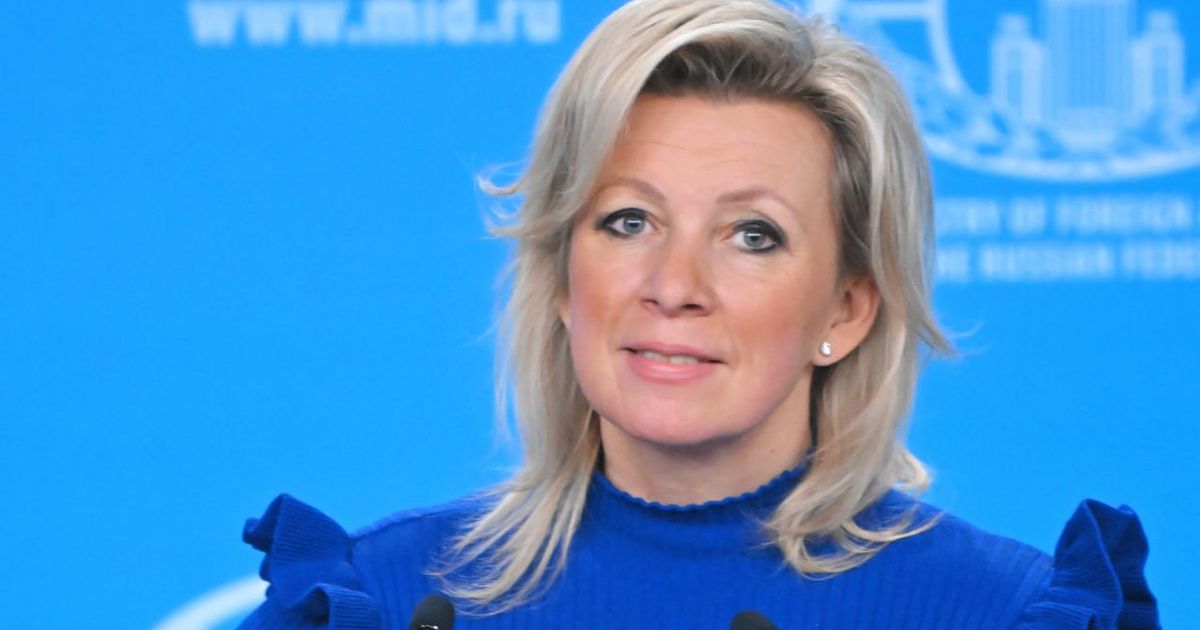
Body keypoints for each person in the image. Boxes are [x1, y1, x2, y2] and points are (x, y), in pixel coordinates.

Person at [236, 1, 1158, 628]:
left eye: (752, 235)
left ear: (847, 310)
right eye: (628, 221)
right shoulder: (392, 600)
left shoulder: (995, 612)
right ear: (562, 277)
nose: (674, 283)